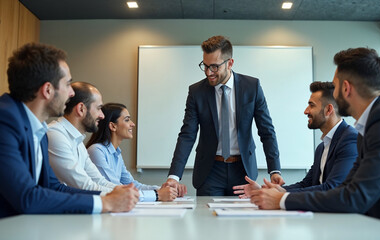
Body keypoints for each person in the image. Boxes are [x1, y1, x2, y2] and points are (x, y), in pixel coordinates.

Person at [250, 47, 380, 229]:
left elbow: (355, 197)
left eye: (335, 85)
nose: (334, 92)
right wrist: (281, 195)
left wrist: (283, 199)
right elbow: (345, 188)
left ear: (346, 88)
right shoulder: (371, 122)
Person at [0, 43, 138, 217]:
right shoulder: (5, 121)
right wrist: (106, 202)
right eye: (67, 84)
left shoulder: (37, 128)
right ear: (48, 90)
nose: (72, 93)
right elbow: (27, 197)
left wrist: (111, 196)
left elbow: (52, 187)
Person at [165, 35, 283, 196]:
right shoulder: (197, 92)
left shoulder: (252, 87)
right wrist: (174, 176)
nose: (208, 72)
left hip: (243, 171)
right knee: (206, 219)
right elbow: (187, 135)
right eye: (205, 66)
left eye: (214, 67)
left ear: (230, 63)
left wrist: (274, 170)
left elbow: (266, 131)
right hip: (210, 171)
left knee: (242, 219)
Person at [233, 81, 358, 197]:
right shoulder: (322, 147)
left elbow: (332, 188)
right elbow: (306, 184)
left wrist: (280, 196)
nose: (306, 111)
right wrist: (263, 191)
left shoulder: (349, 140)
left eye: (311, 105)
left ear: (328, 110)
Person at [86, 103, 178, 201]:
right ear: (113, 126)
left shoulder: (116, 153)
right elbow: (116, 188)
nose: (132, 124)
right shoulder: (96, 151)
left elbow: (132, 184)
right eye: (127, 120)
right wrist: (156, 194)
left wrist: (163, 190)